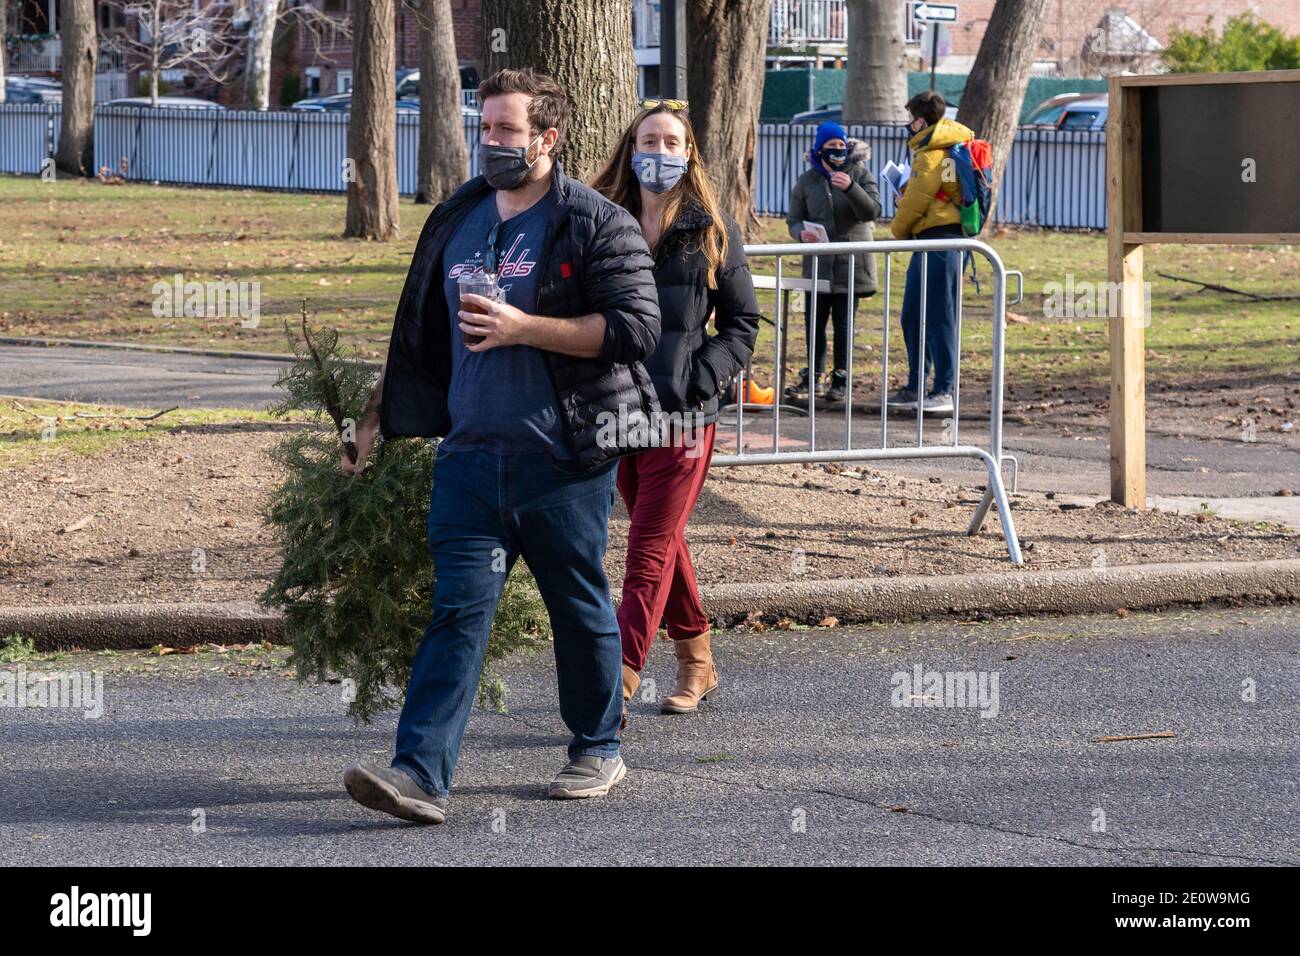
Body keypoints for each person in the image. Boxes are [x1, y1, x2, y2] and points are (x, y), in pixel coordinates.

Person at [338, 68, 663, 825]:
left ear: (548, 139)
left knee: (577, 605)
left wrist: (527, 329)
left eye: (506, 133)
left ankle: (597, 744)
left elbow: (634, 329)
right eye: (484, 129)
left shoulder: (593, 222)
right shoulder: (457, 218)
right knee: (457, 611)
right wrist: (373, 417)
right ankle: (418, 775)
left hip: (562, 458)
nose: (490, 144)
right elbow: (420, 335)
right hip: (469, 459)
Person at [591, 99, 760, 727]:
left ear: (688, 153)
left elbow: (742, 323)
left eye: (670, 142)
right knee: (664, 543)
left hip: (686, 417)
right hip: (620, 411)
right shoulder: (605, 220)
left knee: (647, 549)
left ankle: (616, 682)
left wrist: (702, 377)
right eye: (647, 141)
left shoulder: (711, 228)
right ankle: (698, 660)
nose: (657, 153)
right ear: (629, 148)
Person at [888, 90, 972, 415]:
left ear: (920, 120)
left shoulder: (931, 154)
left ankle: (943, 389)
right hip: (931, 240)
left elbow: (918, 200)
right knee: (914, 315)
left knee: (939, 317)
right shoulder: (936, 151)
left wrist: (898, 226)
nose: (909, 124)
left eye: (911, 117)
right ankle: (916, 385)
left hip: (940, 241)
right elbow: (938, 191)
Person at [785, 120, 880, 403]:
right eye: (831, 146)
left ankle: (841, 377)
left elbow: (872, 211)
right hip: (818, 264)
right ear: (819, 149)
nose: (837, 151)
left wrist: (851, 188)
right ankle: (813, 376)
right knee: (814, 322)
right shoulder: (807, 181)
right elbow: (793, 219)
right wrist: (800, 233)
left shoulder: (860, 174)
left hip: (852, 265)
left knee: (843, 324)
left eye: (841, 146)